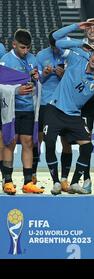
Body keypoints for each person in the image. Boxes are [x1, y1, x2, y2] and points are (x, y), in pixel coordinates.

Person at [52, 19, 94, 190]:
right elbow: (56, 39)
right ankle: (85, 180)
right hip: (83, 102)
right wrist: (77, 31)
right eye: (89, 28)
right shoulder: (80, 49)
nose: (92, 30)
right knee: (85, 142)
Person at [45, 42, 94, 195]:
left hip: (74, 115)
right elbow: (57, 41)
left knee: (87, 147)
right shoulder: (76, 60)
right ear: (91, 55)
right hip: (54, 109)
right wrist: (80, 43)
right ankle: (56, 182)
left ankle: (74, 182)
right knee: (49, 144)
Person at [0, 29, 42, 194]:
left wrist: (36, 78)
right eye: (23, 48)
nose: (26, 51)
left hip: (28, 108)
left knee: (28, 142)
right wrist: (16, 91)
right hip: (11, 108)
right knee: (9, 142)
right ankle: (8, 180)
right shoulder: (5, 60)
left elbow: (36, 80)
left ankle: (27, 182)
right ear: (14, 44)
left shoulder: (32, 59)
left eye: (28, 48)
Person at [36, 30, 71, 191]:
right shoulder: (41, 56)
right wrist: (43, 74)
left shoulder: (70, 55)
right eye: (54, 46)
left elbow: (76, 79)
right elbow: (37, 79)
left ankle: (64, 178)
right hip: (45, 103)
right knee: (42, 140)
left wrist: (65, 75)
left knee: (66, 142)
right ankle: (35, 174)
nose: (57, 49)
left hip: (65, 104)